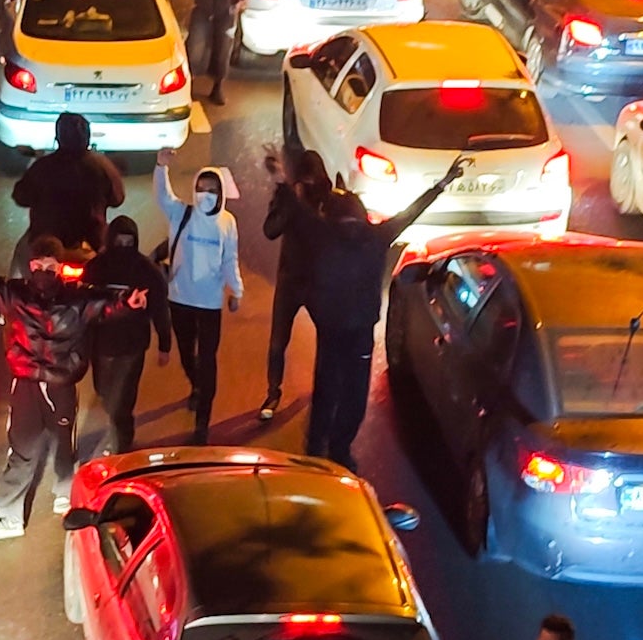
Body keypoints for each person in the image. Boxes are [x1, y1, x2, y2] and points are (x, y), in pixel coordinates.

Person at [0, 234, 144, 538]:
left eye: (50, 265)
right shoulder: (15, 295)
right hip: (27, 385)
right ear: (30, 265)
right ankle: (10, 514)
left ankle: (63, 493)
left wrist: (127, 303)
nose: (44, 270)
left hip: (60, 384)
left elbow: (103, 304)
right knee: (22, 449)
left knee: (62, 443)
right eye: (39, 264)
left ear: (59, 267)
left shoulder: (76, 298)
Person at [304, 174, 457, 467]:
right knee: (354, 393)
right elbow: (410, 214)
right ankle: (339, 449)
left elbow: (300, 217)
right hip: (359, 330)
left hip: (332, 328)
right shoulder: (376, 236)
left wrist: (283, 181)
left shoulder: (322, 235)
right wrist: (440, 185)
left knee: (326, 387)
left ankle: (314, 448)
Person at [161, 166, 242, 441]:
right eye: (201, 188)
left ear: (220, 193)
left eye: (212, 190)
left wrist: (236, 291)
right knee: (186, 353)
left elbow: (230, 258)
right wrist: (162, 166)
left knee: (208, 360)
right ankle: (195, 385)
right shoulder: (181, 213)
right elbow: (162, 195)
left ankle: (202, 421)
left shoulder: (227, 222)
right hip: (180, 298)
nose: (205, 194)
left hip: (210, 303)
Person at [86, 213, 166, 453]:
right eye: (118, 242)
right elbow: (81, 305)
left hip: (132, 346)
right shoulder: (96, 268)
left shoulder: (147, 271)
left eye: (128, 243)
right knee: (104, 391)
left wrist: (165, 344)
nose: (123, 248)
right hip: (102, 346)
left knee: (124, 397)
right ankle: (118, 425)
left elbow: (160, 307)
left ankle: (123, 442)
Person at [257, 150, 330, 405]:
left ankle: (322, 389)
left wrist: (288, 193)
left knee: (327, 338)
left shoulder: (326, 202)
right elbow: (270, 229)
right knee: (278, 341)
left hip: (318, 282)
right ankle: (273, 394)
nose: (304, 187)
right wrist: (286, 198)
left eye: (309, 183)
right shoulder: (288, 198)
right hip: (290, 281)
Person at [11, 110, 124, 253]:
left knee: (21, 257)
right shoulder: (103, 166)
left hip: (46, 242)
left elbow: (21, 197)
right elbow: (117, 199)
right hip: (92, 242)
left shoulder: (42, 166)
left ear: (58, 137)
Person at [182, 0, 245, 110]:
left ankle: (218, 86)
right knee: (194, 46)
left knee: (222, 49)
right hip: (203, 9)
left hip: (226, 11)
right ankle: (189, 84)